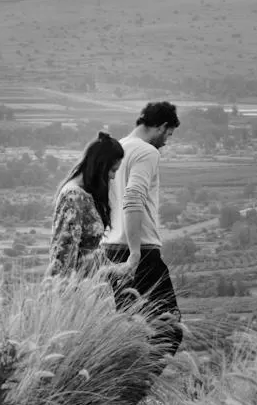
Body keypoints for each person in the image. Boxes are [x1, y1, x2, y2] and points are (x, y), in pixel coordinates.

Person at [99, 100, 184, 361]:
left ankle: (120, 382)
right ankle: (135, 384)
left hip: (109, 249)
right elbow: (133, 197)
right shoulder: (146, 152)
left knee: (129, 328)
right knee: (169, 328)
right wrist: (135, 254)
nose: (166, 142)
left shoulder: (115, 149)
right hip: (139, 252)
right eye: (168, 134)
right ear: (161, 126)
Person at [48, 131, 125, 278]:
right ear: (100, 166)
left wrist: (115, 269)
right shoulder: (73, 197)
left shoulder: (85, 194)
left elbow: (90, 251)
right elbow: (64, 255)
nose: (113, 176)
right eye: (112, 170)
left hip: (92, 283)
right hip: (78, 285)